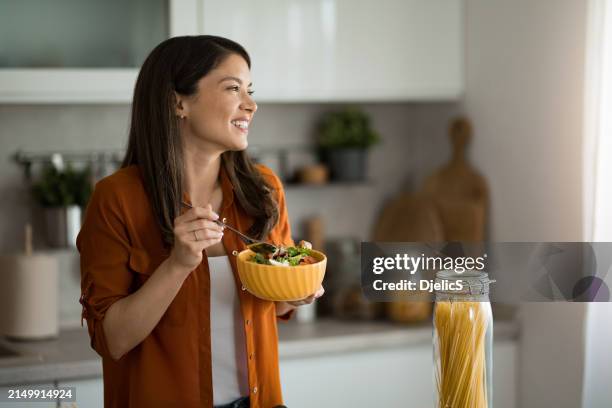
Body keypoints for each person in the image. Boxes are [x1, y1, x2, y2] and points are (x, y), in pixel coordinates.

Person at [77, 35, 324, 408]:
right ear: (179, 102)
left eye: (250, 90)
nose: (251, 104)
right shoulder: (117, 199)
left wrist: (295, 289)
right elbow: (113, 340)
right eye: (233, 88)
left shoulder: (263, 190)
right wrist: (177, 264)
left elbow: (277, 307)